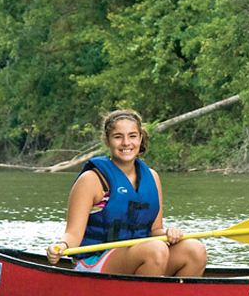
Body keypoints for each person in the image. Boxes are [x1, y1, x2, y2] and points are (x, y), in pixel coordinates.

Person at [46, 109, 208, 276]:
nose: (126, 143)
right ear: (107, 141)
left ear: (140, 139)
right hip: (94, 262)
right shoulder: (91, 180)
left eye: (132, 136)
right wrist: (61, 246)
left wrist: (168, 233)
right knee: (155, 250)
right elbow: (73, 234)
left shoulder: (152, 177)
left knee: (195, 250)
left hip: (146, 254)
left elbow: (155, 231)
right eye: (118, 137)